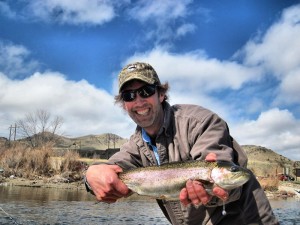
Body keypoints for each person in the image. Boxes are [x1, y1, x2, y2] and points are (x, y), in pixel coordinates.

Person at [85, 62, 279, 225]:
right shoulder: (135, 144)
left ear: (161, 94)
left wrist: (213, 176)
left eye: (146, 91)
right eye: (129, 95)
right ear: (124, 104)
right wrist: (91, 176)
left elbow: (215, 157)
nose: (139, 101)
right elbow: (114, 166)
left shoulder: (201, 121)